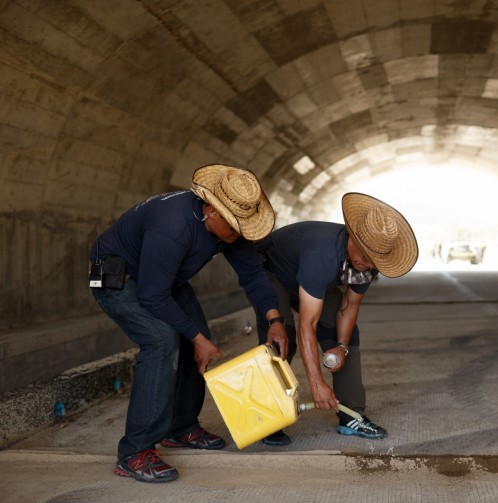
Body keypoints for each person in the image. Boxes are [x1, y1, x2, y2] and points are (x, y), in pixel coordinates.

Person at [89, 164, 289, 483]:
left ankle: (180, 428)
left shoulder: (229, 227)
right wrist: (194, 337)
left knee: (200, 344)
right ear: (211, 209)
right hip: (120, 278)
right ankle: (134, 452)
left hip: (165, 279)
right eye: (234, 227)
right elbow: (152, 295)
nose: (238, 235)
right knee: (162, 341)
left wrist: (274, 318)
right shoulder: (172, 225)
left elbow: (252, 274)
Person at [251, 193, 418, 445]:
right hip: (275, 274)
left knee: (348, 337)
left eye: (375, 259)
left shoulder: (367, 265)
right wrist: (316, 384)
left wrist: (340, 346)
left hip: (316, 283)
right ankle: (268, 416)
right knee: (282, 337)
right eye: (364, 254)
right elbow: (306, 325)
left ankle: (351, 416)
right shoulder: (323, 254)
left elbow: (348, 307)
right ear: (352, 236)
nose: (367, 263)